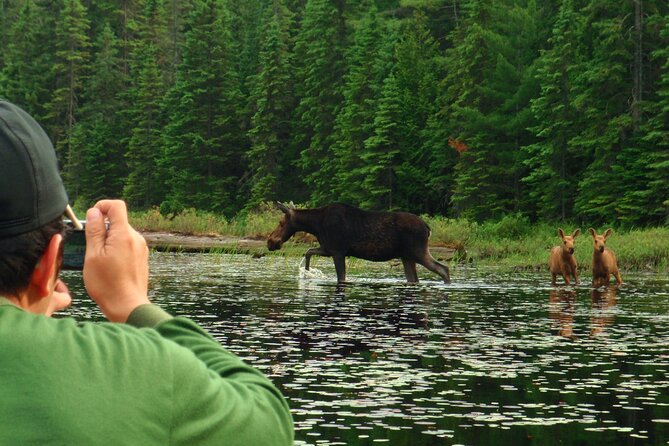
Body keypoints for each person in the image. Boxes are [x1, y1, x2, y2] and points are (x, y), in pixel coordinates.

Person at [0, 100, 294, 445]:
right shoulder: (142, 369)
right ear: (50, 261)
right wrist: (131, 302)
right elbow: (269, 427)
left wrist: (26, 316)